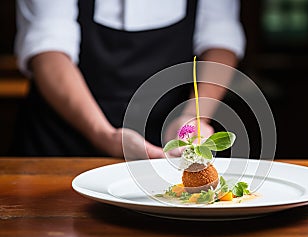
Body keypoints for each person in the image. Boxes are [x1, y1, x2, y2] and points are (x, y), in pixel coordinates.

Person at [10, 0, 245, 159]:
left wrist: (192, 118)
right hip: (61, 142)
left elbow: (220, 38)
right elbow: (48, 48)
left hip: (168, 140)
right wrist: (104, 135)